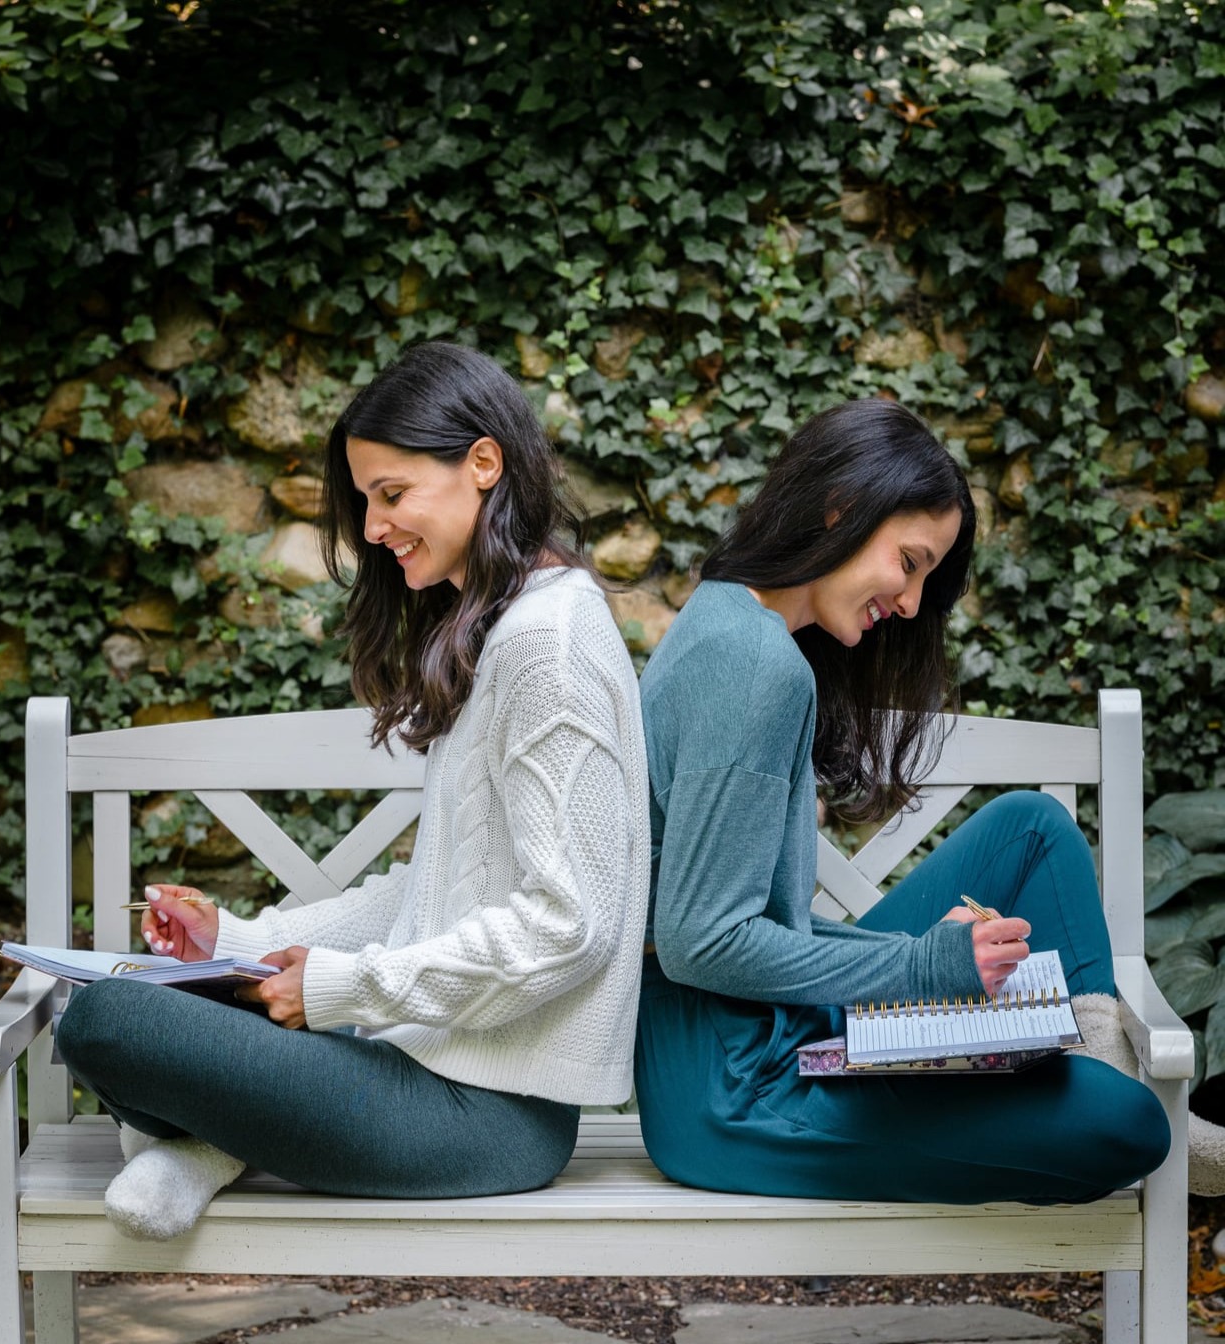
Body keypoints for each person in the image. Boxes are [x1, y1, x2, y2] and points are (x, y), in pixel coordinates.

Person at [57, 341, 649, 1239]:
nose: (373, 528)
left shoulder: (548, 645)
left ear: (482, 463)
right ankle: (214, 1145)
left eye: (391, 494)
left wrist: (343, 990)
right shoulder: (505, 625)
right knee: (124, 991)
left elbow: (567, 926)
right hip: (426, 1064)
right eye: (367, 500)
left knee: (106, 1024)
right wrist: (246, 942)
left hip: (491, 1112)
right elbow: (434, 895)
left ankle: (212, 1142)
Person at [634, 397, 1171, 1204]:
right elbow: (700, 944)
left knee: (1029, 828)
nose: (913, 604)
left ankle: (1085, 1056)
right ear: (842, 508)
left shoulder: (726, 617)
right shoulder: (754, 669)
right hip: (740, 1094)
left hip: (772, 1036)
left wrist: (927, 977)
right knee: (1133, 1128)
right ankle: (1072, 1079)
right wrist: (924, 968)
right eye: (910, 562)